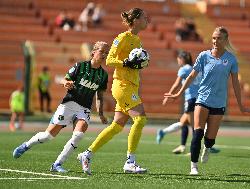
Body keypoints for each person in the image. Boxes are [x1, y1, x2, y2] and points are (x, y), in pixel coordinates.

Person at [165, 26, 250, 175]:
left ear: (225, 40)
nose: (215, 41)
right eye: (213, 38)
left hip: (219, 103)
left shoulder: (231, 59)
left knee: (209, 140)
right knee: (197, 133)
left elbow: (236, 84)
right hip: (202, 100)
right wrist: (179, 93)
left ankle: (208, 148)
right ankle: (193, 166)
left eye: (219, 38)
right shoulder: (204, 56)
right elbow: (191, 76)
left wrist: (241, 105)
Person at [12, 41, 110, 173]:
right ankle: (26, 145)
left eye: (106, 52)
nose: (104, 54)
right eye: (101, 51)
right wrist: (66, 83)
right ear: (93, 52)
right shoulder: (80, 66)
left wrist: (101, 114)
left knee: (78, 135)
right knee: (48, 136)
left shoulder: (103, 75)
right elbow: (65, 79)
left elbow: (99, 96)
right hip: (69, 104)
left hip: (84, 108)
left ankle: (57, 164)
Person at [77, 8, 149, 175]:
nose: (147, 20)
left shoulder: (137, 39)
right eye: (145, 17)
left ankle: (87, 154)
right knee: (140, 119)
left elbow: (133, 63)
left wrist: (141, 63)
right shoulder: (122, 37)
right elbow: (109, 60)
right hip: (123, 86)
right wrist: (127, 63)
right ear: (136, 20)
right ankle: (130, 162)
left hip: (130, 85)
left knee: (117, 126)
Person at [157, 51, 220, 155]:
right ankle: (166, 134)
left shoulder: (183, 69)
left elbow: (176, 84)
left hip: (191, 100)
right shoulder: (196, 68)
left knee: (195, 126)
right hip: (200, 99)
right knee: (185, 123)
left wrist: (169, 95)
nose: (177, 61)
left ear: (182, 59)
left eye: (178, 59)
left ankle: (199, 147)